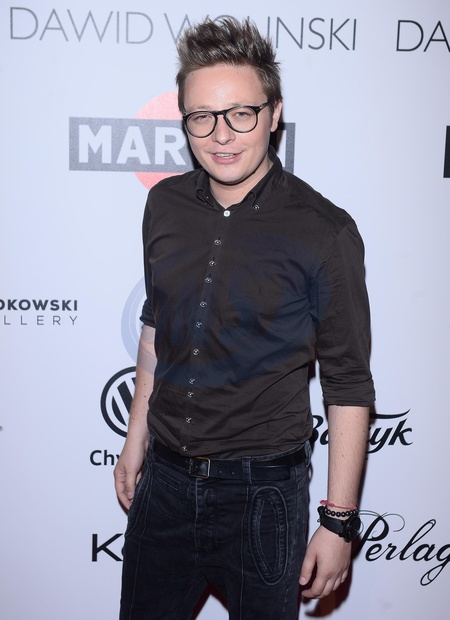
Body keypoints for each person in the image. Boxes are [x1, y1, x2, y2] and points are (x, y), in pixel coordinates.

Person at [114, 16, 375, 620]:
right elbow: (156, 325)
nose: (221, 135)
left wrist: (339, 522)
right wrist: (135, 439)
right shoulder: (163, 205)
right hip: (164, 483)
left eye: (241, 114)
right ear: (184, 120)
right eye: (202, 117)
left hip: (264, 496)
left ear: (274, 113)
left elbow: (347, 383)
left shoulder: (325, 231)